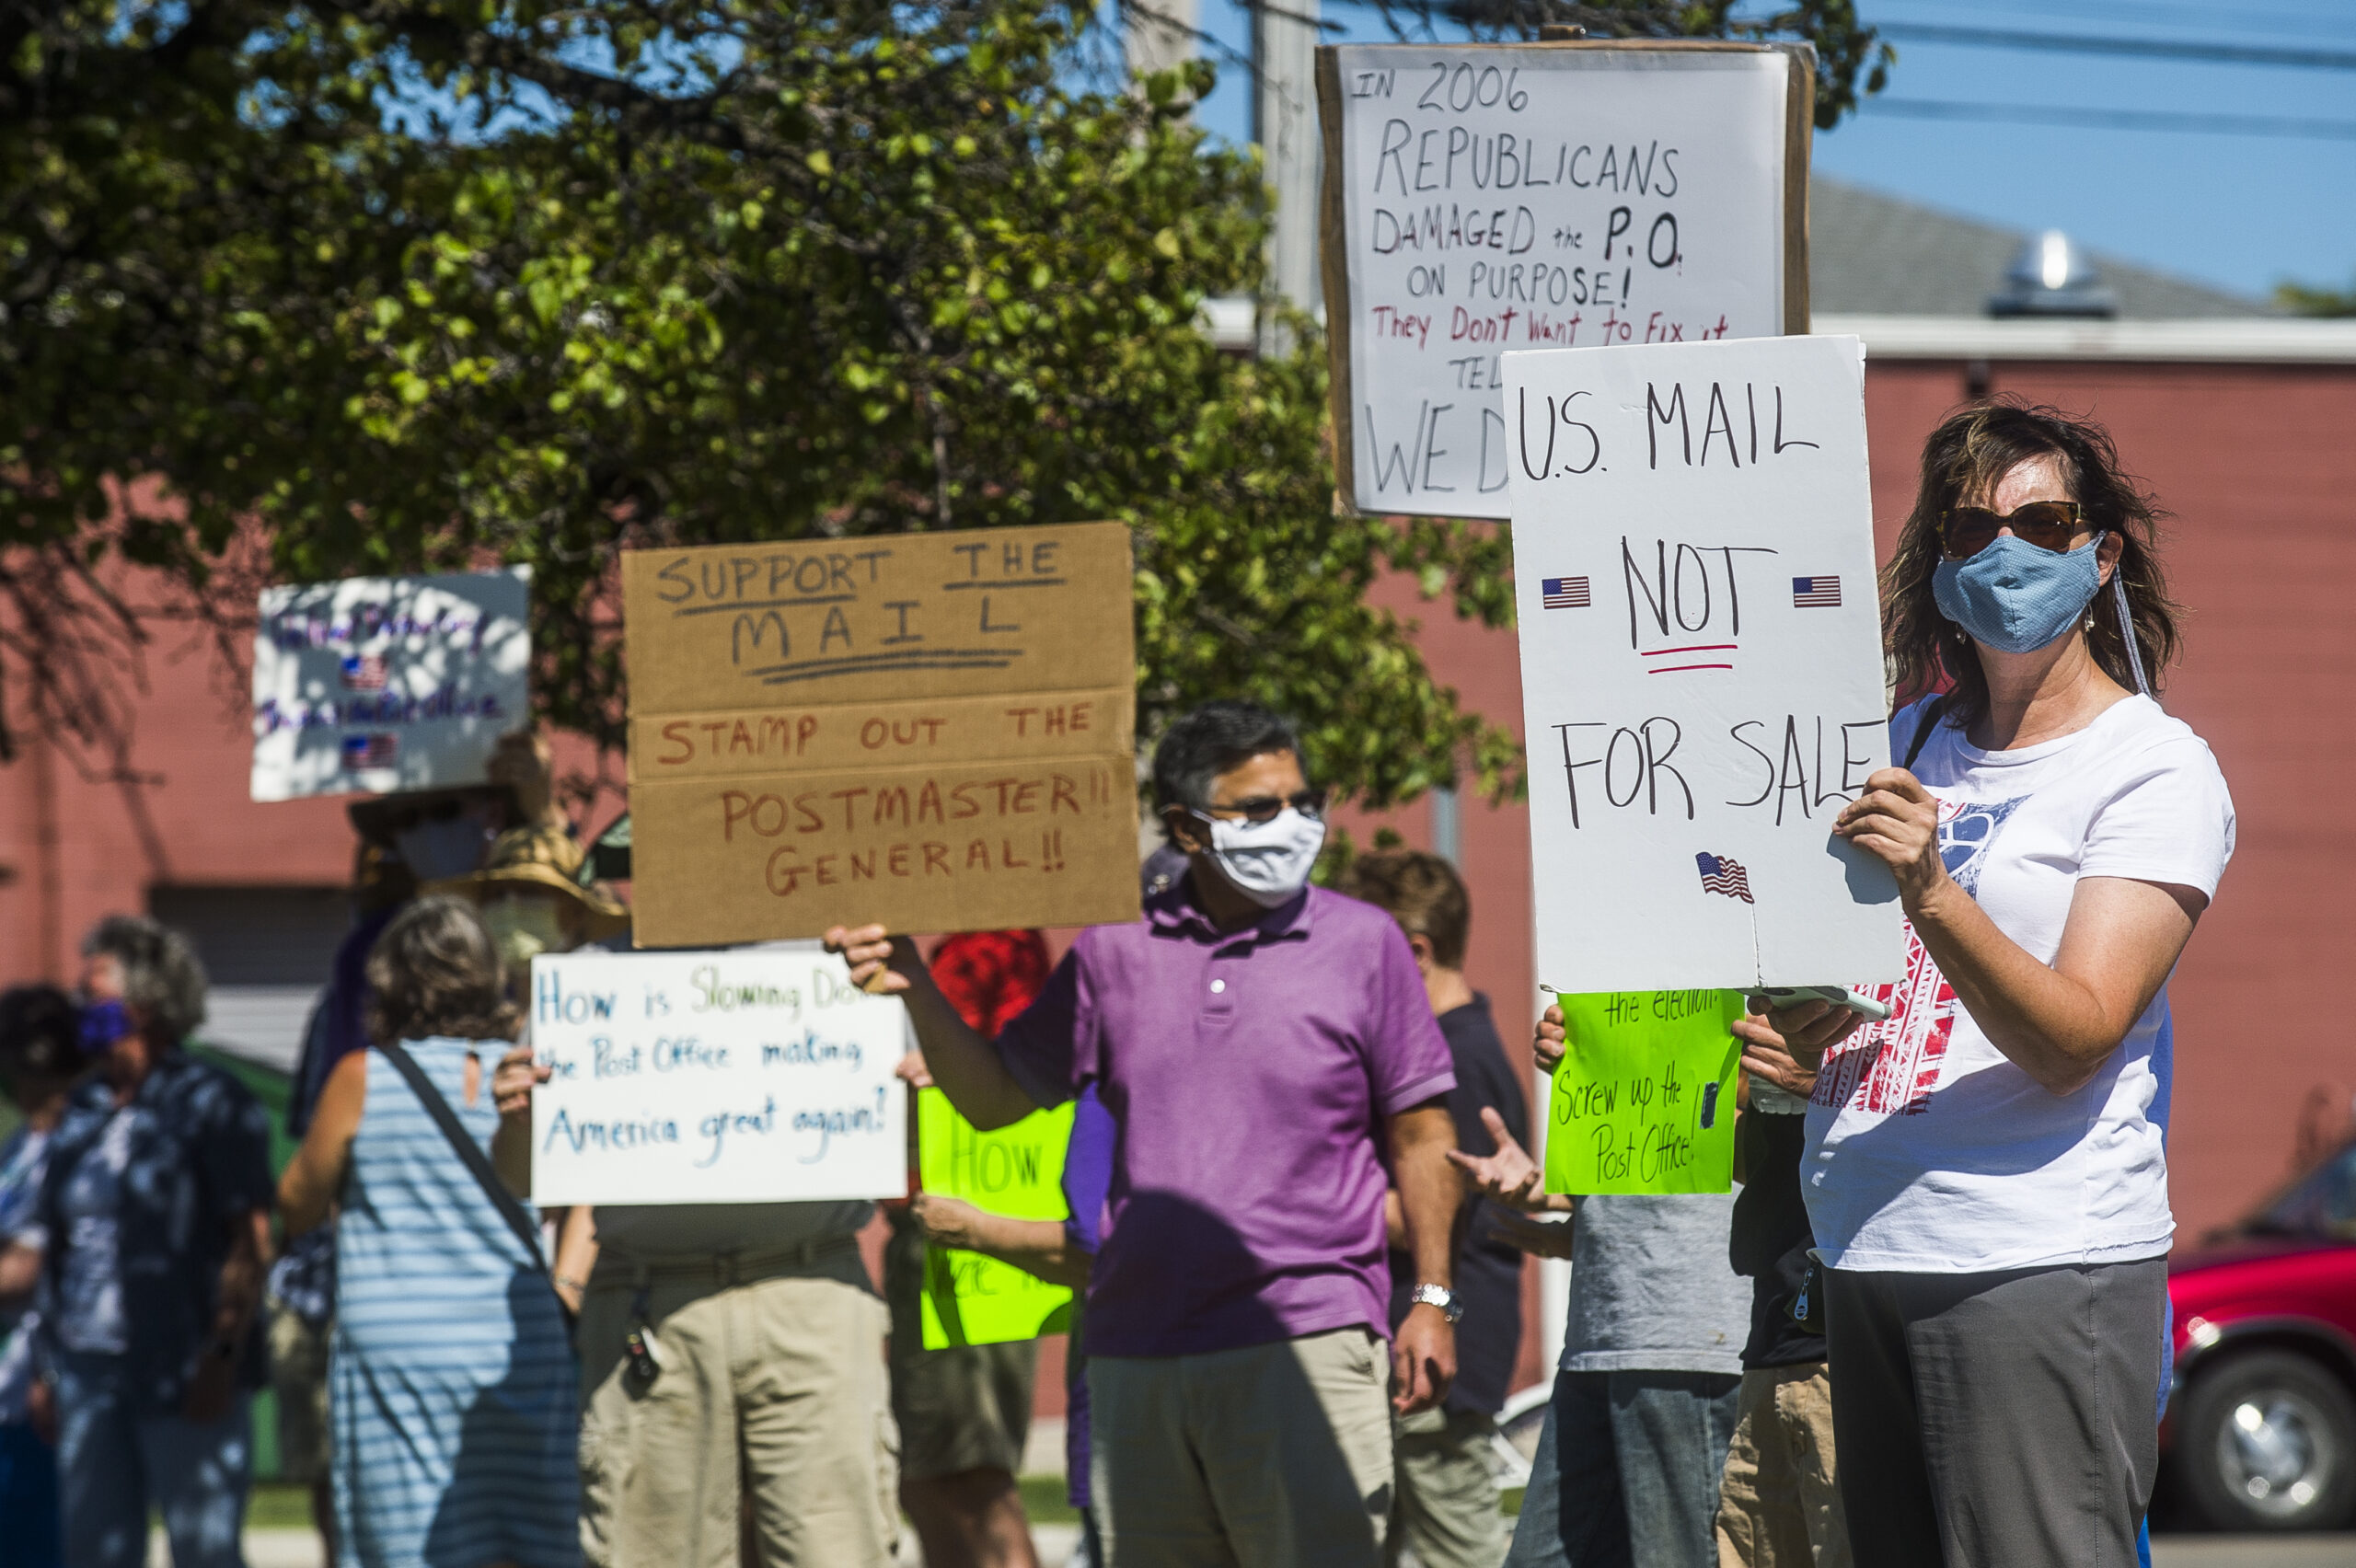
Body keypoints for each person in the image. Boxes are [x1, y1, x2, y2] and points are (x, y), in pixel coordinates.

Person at [1740, 401, 2235, 1566]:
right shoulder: (1905, 737)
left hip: (2028, 1261)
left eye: (2043, 521)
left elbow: (2077, 1036)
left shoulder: (2151, 766)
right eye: (1969, 531)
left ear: (2099, 552)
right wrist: (1807, 1048)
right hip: (1864, 1244)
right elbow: (1897, 1003)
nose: (2003, 551)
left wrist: (1932, 889)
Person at [830, 699, 1465, 1567]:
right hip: (1137, 1358)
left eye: (1302, 801)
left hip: (1308, 1340)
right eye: (1258, 808)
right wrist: (914, 983)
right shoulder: (1112, 952)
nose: (1293, 825)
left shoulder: (1367, 944)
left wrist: (1430, 1300)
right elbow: (996, 1098)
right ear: (1187, 828)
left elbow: (1424, 1135)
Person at [571, 939, 901, 1568]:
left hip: (813, 1290)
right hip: (653, 1301)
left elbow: (909, 1135)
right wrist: (517, 1118)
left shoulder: (848, 964)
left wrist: (920, 1085)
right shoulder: (590, 979)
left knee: (837, 1549)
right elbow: (521, 1170)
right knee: (649, 1550)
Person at [276, 896, 576, 1568]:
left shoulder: (363, 1078)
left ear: (390, 979)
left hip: (401, 1353)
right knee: (529, 1538)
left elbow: (297, 1201)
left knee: (416, 1548)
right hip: (518, 1342)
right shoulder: (526, 1075)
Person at [1455, 1023, 1749, 1568]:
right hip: (1602, 1324)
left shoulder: (1750, 970)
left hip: (1689, 1333)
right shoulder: (1613, 975)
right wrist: (1562, 1197)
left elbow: (1773, 1121)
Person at [33, 917, 274, 1568]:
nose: (83, 1009)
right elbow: (60, 1243)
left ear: (146, 1002)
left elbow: (250, 1242)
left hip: (183, 1363)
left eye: (96, 994)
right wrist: (46, 1366)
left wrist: (222, 1354)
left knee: (203, 1548)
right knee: (94, 1550)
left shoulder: (211, 1100)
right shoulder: (82, 1107)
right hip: (88, 1367)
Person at [1334, 849, 1527, 1568]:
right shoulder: (1456, 1043)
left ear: (1412, 951)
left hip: (1440, 1356)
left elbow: (1439, 1203)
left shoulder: (1453, 1055)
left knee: (1458, 1555)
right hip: (1424, 1351)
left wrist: (1292, 1209)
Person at [887, 929, 1054, 1568]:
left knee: (961, 1482)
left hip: (966, 1237)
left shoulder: (993, 939)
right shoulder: (980, 941)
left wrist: (946, 1060)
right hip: (961, 1233)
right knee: (941, 1477)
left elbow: (1015, 1077)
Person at [906, 1080, 1116, 1564]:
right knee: (933, 1477)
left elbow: (1095, 1251)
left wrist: (981, 1230)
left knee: (963, 1478)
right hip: (941, 1218)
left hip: (970, 1216)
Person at [1713, 1036, 1847, 1568]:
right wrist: (1605, 1068)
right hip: (1773, 1342)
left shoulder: (1897, 977)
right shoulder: (1763, 1009)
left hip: (1852, 1347)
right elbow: (1758, 1163)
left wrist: (1833, 1084)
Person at [0, 986, 82, 1568]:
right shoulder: (20, 1145)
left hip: (41, 1380)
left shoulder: (68, 1145)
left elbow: (26, 1269)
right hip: (11, 1385)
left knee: (39, 1543)